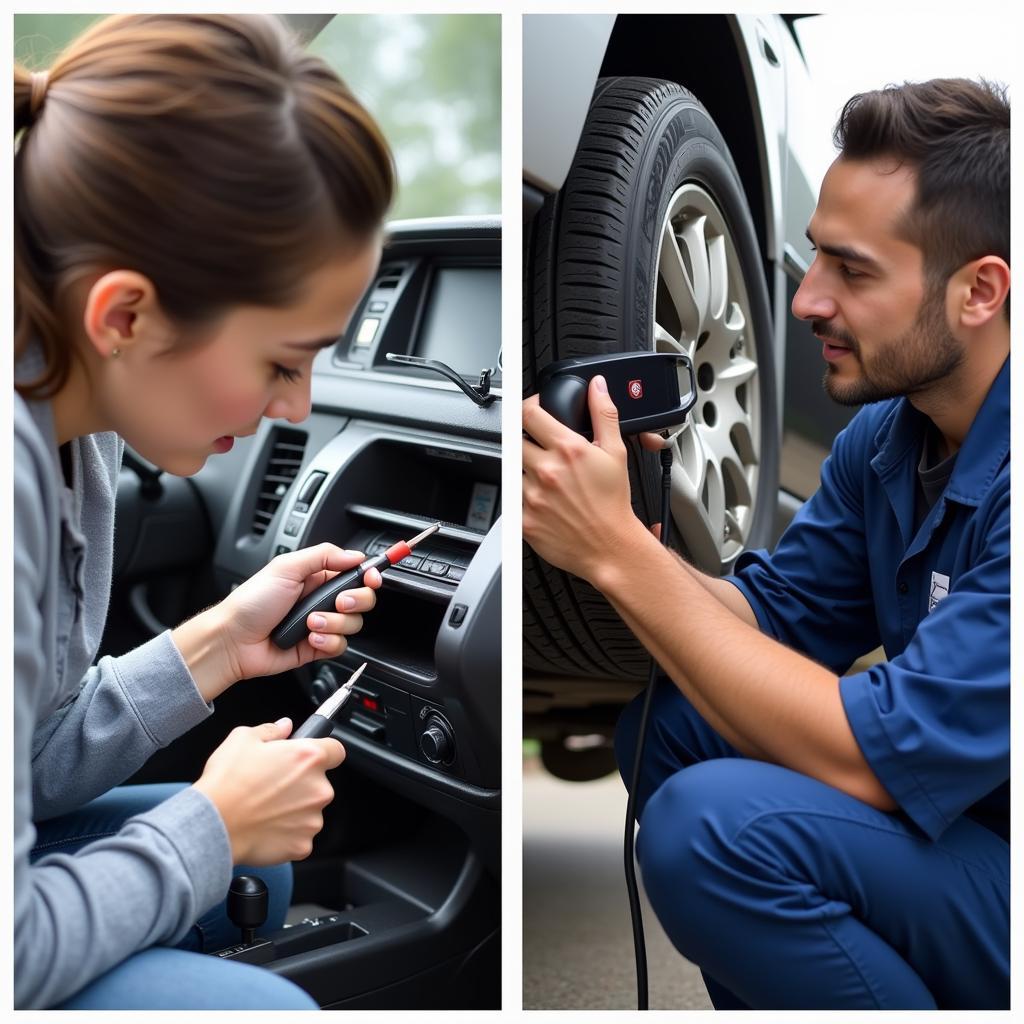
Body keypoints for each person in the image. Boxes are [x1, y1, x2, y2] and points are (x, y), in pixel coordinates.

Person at [522, 78, 1009, 1009]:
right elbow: (770, 623)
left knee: (713, 831)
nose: (806, 300)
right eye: (814, 257)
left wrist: (616, 556)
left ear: (979, 291)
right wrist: (620, 524)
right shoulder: (889, 437)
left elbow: (873, 757)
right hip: (965, 845)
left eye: (853, 271)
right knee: (673, 729)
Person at [14, 14, 395, 1010]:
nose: (299, 409)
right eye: (282, 361)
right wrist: (206, 829)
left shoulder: (73, 429)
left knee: (255, 871)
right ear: (126, 315)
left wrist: (220, 643)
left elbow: (27, 760)